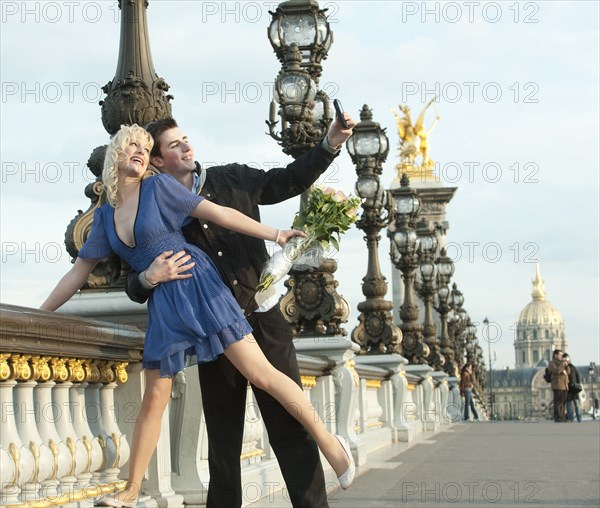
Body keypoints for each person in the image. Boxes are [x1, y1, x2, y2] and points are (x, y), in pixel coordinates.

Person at [40, 124, 355, 508]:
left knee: (264, 379)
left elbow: (221, 212)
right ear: (116, 156)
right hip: (168, 307)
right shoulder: (106, 218)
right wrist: (39, 315)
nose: (139, 151)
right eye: (132, 146)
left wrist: (275, 233)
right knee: (166, 404)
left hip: (209, 292)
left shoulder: (169, 187)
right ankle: (130, 490)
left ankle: (331, 445)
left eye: (144, 145)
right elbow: (79, 272)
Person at [548, 349, 569, 422]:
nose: (561, 356)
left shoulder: (561, 363)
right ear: (555, 355)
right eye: (560, 355)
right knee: (558, 402)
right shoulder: (552, 363)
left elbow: (568, 372)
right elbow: (557, 371)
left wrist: (566, 365)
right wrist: (562, 364)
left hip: (564, 385)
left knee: (563, 402)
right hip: (557, 384)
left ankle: (562, 417)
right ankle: (558, 417)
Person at [563, 354, 582, 422]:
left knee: (574, 404)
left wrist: (578, 384)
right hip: (570, 388)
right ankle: (575, 418)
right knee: (572, 404)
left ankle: (575, 418)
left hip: (572, 388)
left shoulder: (571, 367)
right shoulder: (570, 367)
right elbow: (578, 377)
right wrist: (578, 384)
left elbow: (577, 376)